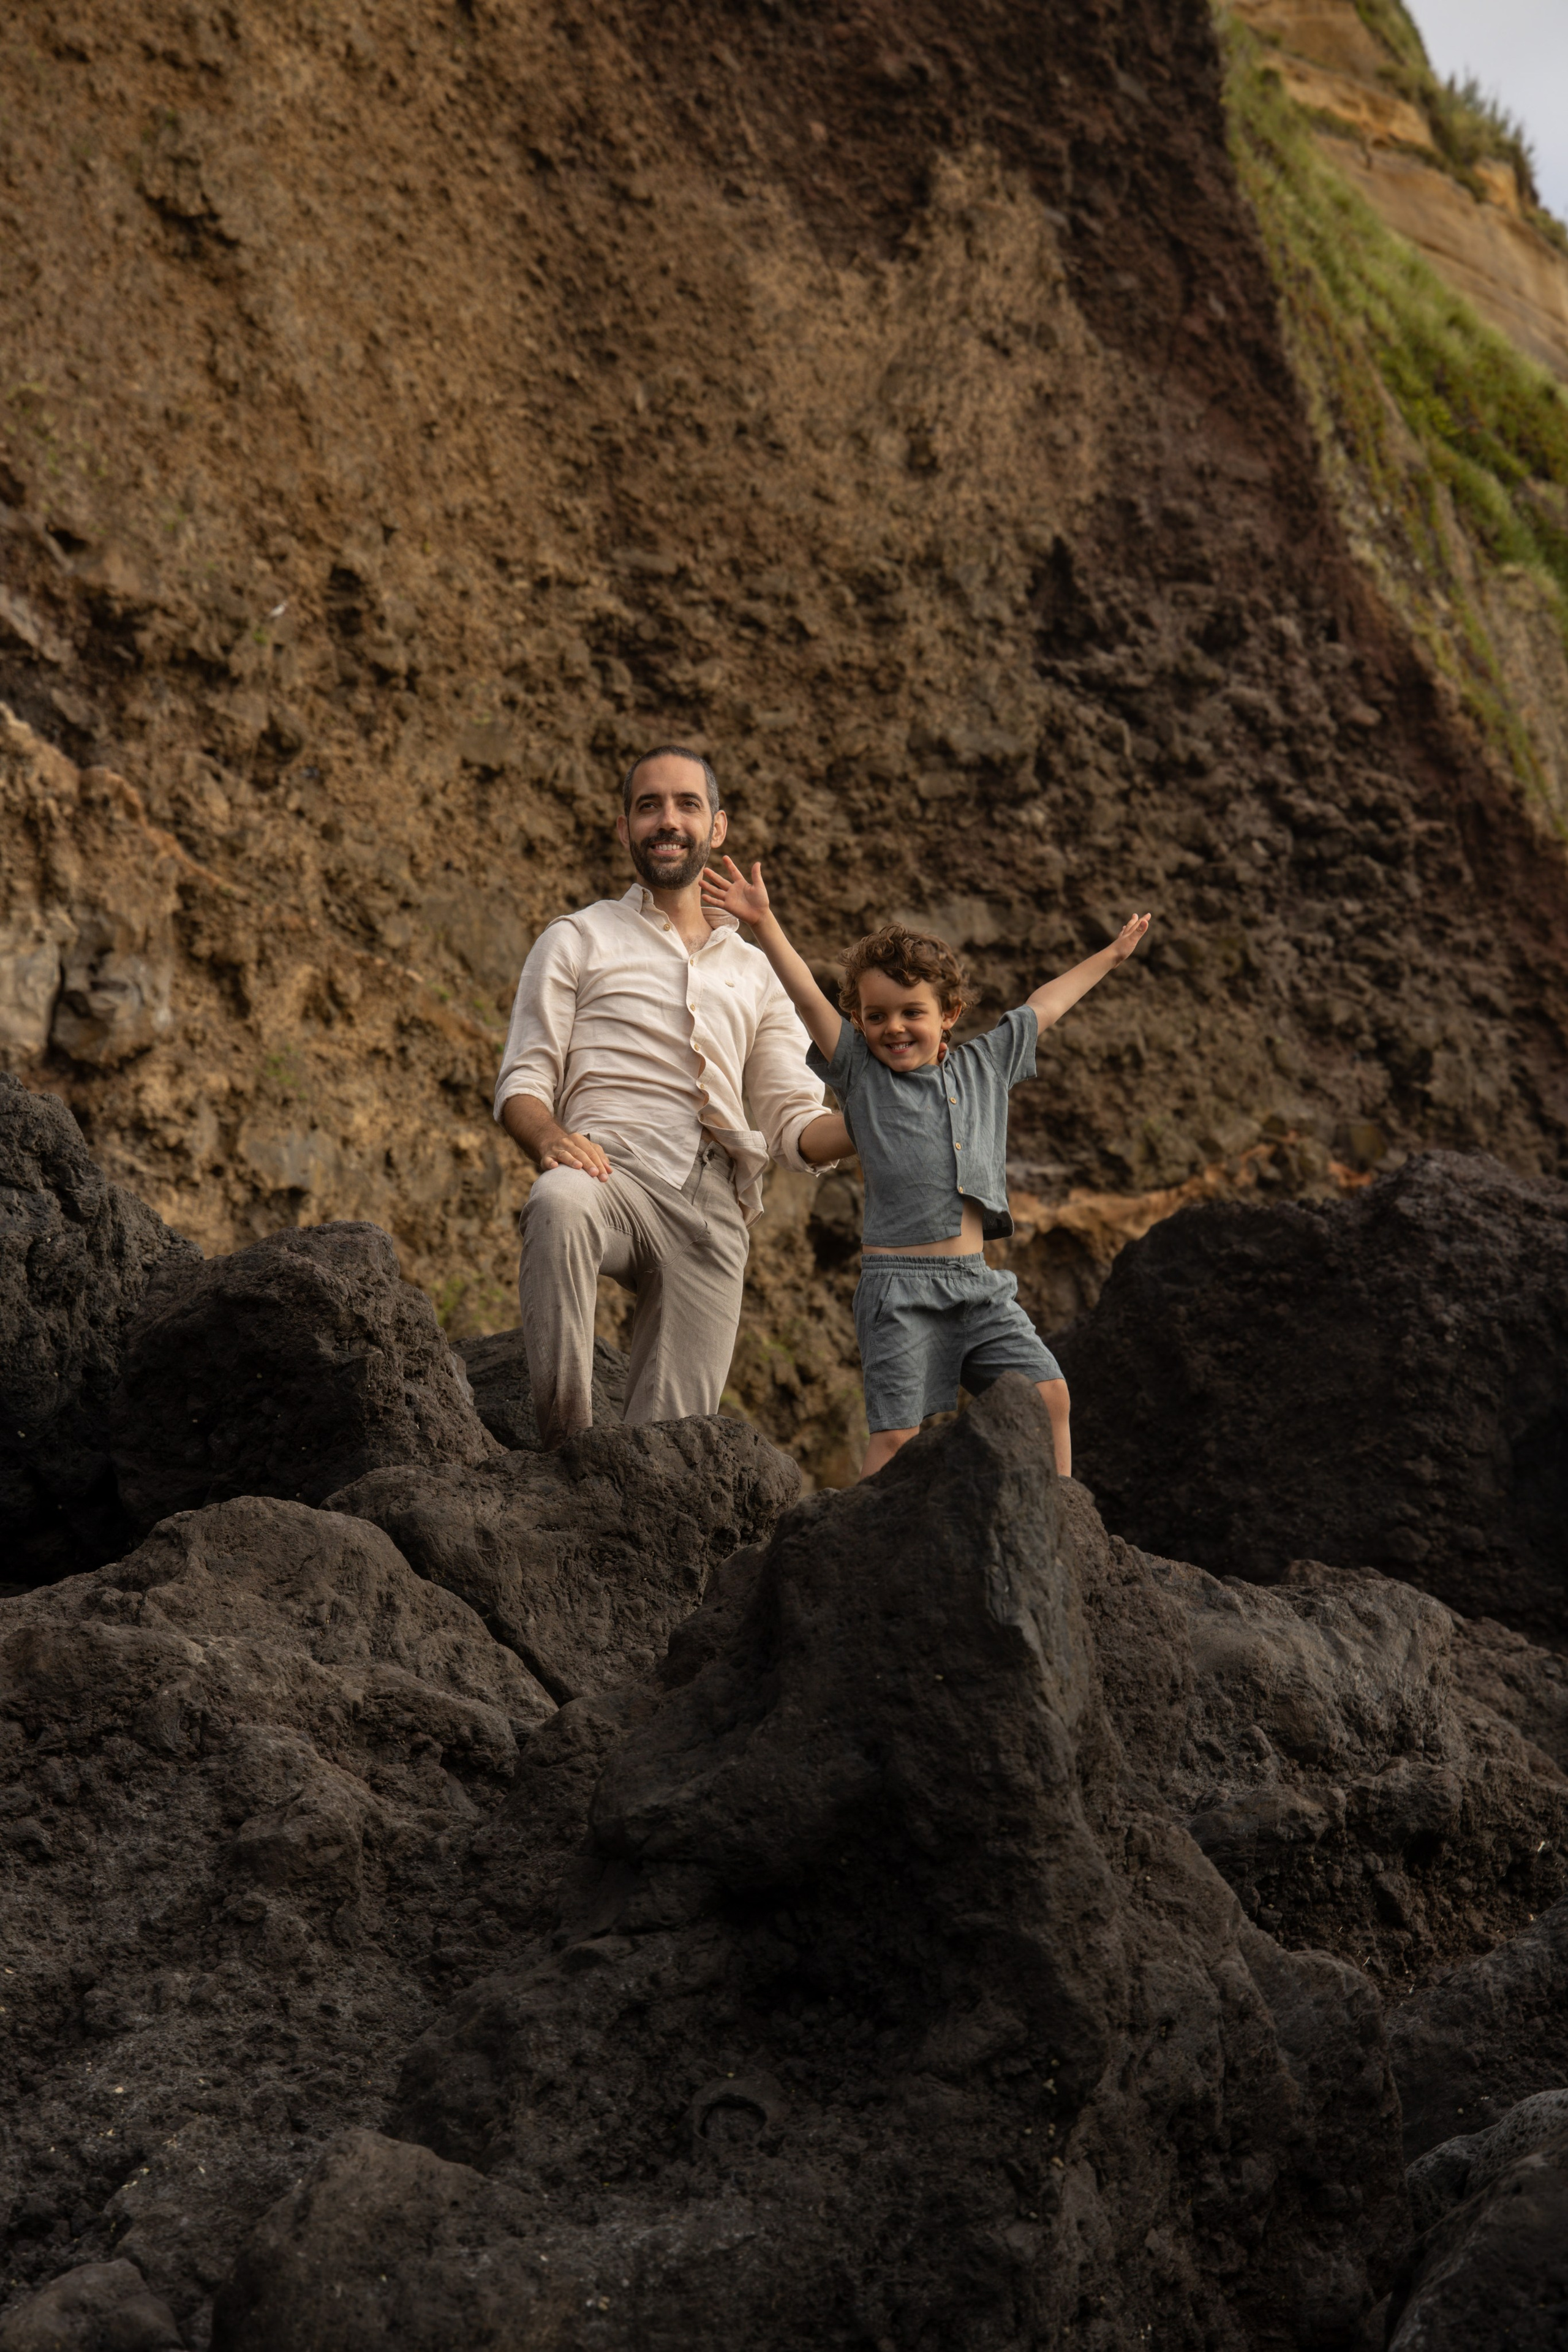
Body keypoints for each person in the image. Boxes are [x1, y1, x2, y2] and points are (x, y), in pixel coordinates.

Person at [699, 853, 1151, 1480]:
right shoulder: (861, 1077)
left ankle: (1060, 1522)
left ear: (949, 1016)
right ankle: (860, 1552)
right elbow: (805, 995)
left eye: (911, 1012)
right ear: (858, 1021)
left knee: (1049, 1396)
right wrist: (764, 921)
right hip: (899, 1291)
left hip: (978, 1285)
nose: (893, 1028)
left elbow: (1044, 1006)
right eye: (876, 1016)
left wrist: (1111, 957)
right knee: (896, 1438)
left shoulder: (986, 1066)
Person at [493, 746, 846, 1448]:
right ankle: (563, 1450)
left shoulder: (758, 972)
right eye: (648, 806)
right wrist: (549, 1140)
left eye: (687, 805)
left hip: (711, 1204)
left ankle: (624, 1507)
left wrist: (872, 1121)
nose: (667, 820)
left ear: (717, 828)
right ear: (624, 829)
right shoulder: (577, 938)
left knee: (668, 1450)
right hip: (606, 1172)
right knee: (557, 1201)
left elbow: (794, 1124)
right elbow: (522, 1083)